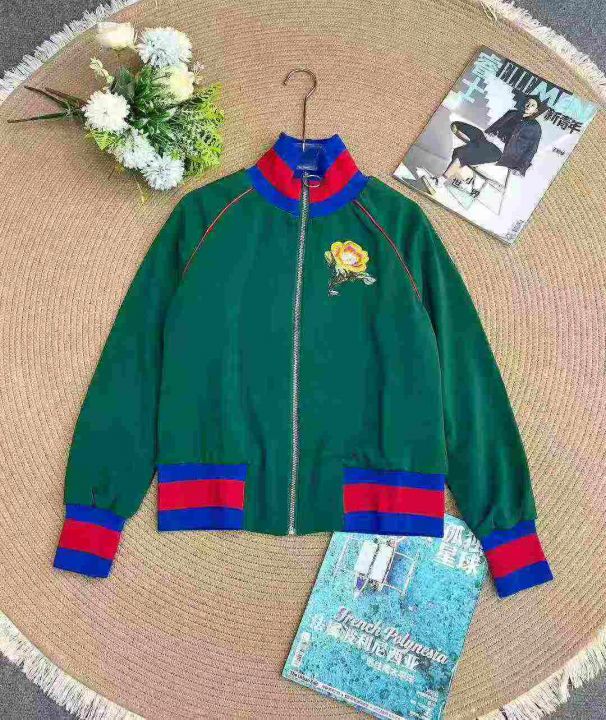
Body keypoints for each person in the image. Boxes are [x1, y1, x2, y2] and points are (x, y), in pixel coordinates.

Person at [422, 95, 547, 196]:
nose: (528, 106)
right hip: (487, 139)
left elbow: (532, 149)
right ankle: (469, 166)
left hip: (500, 150)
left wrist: (521, 167)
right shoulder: (512, 113)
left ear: (535, 111)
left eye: (532, 105)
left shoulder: (535, 127)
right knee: (456, 126)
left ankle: (439, 182)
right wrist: (487, 135)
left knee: (462, 152)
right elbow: (496, 126)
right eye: (528, 103)